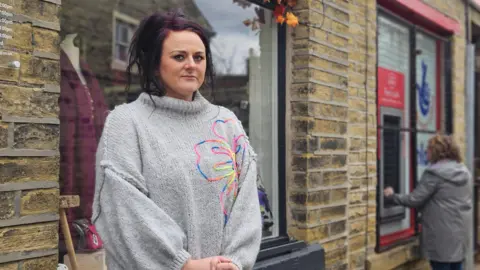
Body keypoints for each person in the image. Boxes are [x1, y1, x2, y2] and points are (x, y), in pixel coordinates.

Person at [92, 10, 262, 270]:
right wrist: (184, 265)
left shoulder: (227, 124)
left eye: (199, 57)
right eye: (179, 56)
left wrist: (234, 262)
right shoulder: (127, 123)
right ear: (155, 65)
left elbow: (247, 203)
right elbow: (122, 209)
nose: (191, 64)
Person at [384, 135, 472, 270]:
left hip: (441, 237)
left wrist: (392, 196)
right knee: (456, 266)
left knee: (440, 266)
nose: (426, 152)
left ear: (436, 151)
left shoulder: (434, 174)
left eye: (428, 149)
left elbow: (414, 199)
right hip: (460, 234)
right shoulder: (464, 172)